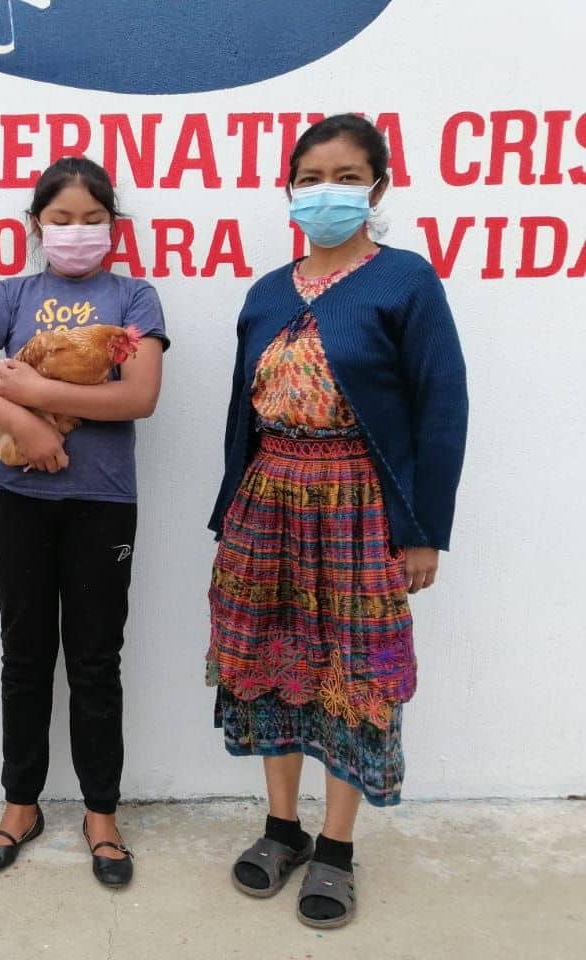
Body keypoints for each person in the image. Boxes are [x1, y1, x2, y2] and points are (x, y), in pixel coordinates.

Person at [206, 114, 468, 928]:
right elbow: (239, 411)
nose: (328, 191)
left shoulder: (405, 281)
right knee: (270, 658)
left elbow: (441, 407)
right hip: (267, 497)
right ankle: (280, 829)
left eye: (347, 176)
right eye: (312, 176)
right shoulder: (267, 291)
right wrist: (230, 510)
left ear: (378, 187)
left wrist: (423, 528)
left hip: (358, 501)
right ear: (290, 188)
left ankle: (336, 849)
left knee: (355, 672)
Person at [0, 156, 168, 887]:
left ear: (113, 228)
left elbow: (141, 396)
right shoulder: (13, 293)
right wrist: (25, 425)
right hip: (19, 500)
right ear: (36, 226)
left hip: (102, 502)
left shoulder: (135, 296)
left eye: (93, 219)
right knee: (24, 654)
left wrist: (35, 386)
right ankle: (21, 804)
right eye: (61, 219)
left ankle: (101, 814)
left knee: (96, 658)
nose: (76, 232)